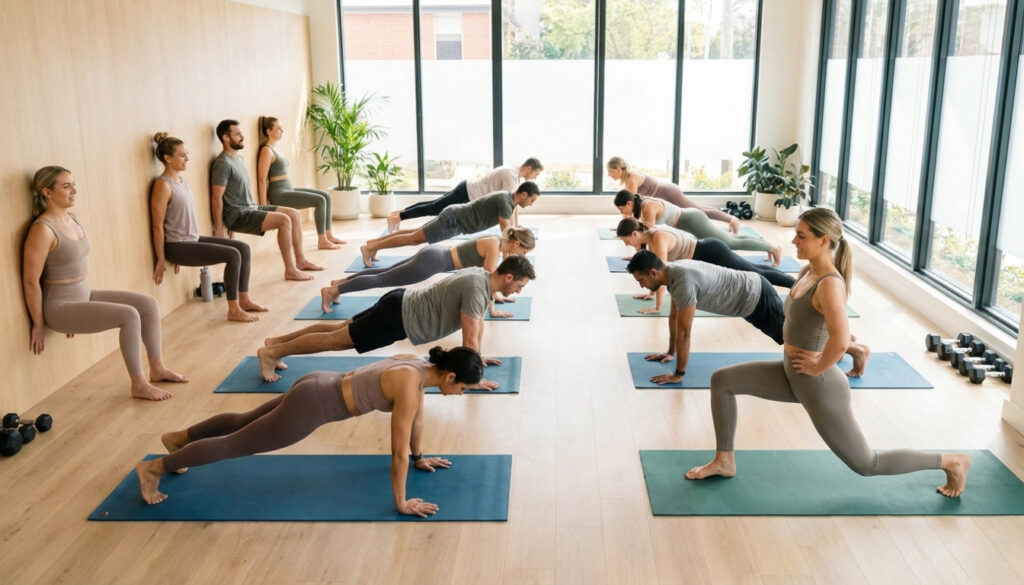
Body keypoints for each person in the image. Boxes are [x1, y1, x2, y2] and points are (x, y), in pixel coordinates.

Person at [682, 208, 971, 499]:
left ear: (824, 240)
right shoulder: (808, 270)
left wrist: (819, 365)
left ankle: (950, 461)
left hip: (818, 385)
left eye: (802, 236)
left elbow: (842, 341)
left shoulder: (829, 283)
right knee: (723, 381)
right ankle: (724, 460)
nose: (795, 240)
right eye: (796, 233)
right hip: (791, 371)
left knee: (867, 463)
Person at [134, 346, 483, 515]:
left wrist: (420, 458)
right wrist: (401, 502)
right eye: (465, 388)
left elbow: (418, 421)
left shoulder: (417, 364)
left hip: (316, 382)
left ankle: (179, 438)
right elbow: (396, 452)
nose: (461, 394)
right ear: (451, 377)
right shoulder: (410, 387)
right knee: (236, 444)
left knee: (243, 421)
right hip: (314, 407)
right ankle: (153, 469)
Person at [22, 166, 188, 401]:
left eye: (74, 183)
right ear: (47, 192)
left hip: (83, 296)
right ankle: (138, 384)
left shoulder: (73, 219)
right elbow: (30, 281)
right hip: (59, 308)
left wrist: (80, 312)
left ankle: (157, 368)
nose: (74, 190)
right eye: (66, 186)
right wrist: (38, 322)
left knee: (148, 303)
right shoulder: (42, 230)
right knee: (129, 315)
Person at [257, 255, 536, 386]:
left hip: (399, 303)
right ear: (509, 276)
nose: (519, 291)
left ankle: (276, 342)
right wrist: (474, 377)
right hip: (398, 318)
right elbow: (470, 337)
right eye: (520, 285)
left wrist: (479, 356)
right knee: (337, 340)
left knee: (338, 330)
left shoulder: (481, 276)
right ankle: (273, 353)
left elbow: (479, 327)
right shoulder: (478, 290)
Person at [626, 249, 871, 379]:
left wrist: (678, 374)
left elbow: (685, 331)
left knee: (792, 340)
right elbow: (674, 317)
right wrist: (670, 352)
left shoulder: (683, 281)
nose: (641, 285)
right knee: (792, 333)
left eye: (641, 279)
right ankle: (843, 341)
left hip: (754, 298)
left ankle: (854, 349)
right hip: (752, 292)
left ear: (654, 273)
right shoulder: (674, 273)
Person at [150, 133, 267, 323]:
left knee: (243, 248)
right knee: (232, 255)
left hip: (190, 241)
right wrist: (162, 257)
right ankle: (233, 309)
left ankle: (244, 300)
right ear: (167, 158)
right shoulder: (162, 186)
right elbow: (157, 225)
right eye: (182, 155)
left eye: (187, 154)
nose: (187, 158)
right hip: (178, 246)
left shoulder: (182, 181)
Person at [322, 227, 536, 314]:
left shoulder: (495, 241)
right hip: (432, 263)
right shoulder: (494, 247)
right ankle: (333, 292)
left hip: (434, 254)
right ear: (517, 244)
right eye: (525, 251)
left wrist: (499, 297)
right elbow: (489, 281)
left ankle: (339, 283)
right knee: (382, 280)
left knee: (384, 272)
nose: (524, 256)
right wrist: (493, 310)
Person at [210, 119, 323, 281]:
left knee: (294, 214)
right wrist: (220, 229)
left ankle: (301, 261)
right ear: (226, 138)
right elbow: (216, 198)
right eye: (238, 134)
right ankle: (290, 270)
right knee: (284, 220)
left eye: (241, 133)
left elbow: (234, 194)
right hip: (238, 214)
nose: (242, 136)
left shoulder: (239, 159)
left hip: (251, 208)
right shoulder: (222, 164)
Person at [616, 217, 795, 315]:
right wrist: (650, 292)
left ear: (634, 234)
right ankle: (795, 282)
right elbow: (654, 273)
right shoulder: (650, 240)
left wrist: (657, 307)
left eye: (626, 241)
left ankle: (794, 284)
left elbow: (660, 272)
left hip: (710, 252)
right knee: (753, 268)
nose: (627, 245)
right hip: (705, 254)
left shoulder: (658, 238)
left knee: (755, 272)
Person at [360, 183, 540, 268]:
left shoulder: (509, 200)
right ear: (524, 194)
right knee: (413, 239)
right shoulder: (505, 202)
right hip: (454, 221)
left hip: (455, 217)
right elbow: (507, 233)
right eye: (531, 200)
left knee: (413, 234)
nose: (531, 203)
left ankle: (373, 244)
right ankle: (371, 247)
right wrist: (510, 258)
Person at [614, 190, 780, 264]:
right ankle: (762, 242)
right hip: (689, 222)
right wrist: (637, 255)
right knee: (730, 240)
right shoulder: (641, 208)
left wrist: (639, 257)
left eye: (623, 209)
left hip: (693, 220)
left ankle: (772, 247)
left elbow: (648, 235)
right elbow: (643, 239)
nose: (623, 213)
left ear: (629, 203)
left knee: (730, 244)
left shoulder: (648, 207)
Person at [256, 116, 345, 249]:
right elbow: (262, 179)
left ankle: (328, 235)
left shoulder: (275, 149)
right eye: (278, 128)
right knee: (320, 200)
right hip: (279, 194)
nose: (282, 130)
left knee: (326, 195)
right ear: (269, 131)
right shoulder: (266, 151)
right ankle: (322, 240)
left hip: (288, 190)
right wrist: (263, 206)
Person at [388, 158, 543, 232]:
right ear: (529, 168)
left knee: (434, 205)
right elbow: (510, 206)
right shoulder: (510, 176)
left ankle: (398, 215)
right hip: (468, 193)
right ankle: (398, 217)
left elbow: (512, 205)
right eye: (536, 173)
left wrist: (515, 227)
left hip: (468, 190)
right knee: (434, 208)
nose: (535, 177)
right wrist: (512, 229)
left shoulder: (513, 174)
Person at [606, 156, 740, 233]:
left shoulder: (631, 178)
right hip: (664, 195)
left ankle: (732, 220)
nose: (608, 174)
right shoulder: (628, 179)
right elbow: (630, 209)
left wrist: (623, 226)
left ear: (618, 169)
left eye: (610, 171)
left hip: (669, 193)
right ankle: (730, 219)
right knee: (699, 209)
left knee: (698, 211)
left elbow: (632, 207)